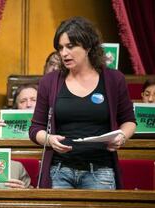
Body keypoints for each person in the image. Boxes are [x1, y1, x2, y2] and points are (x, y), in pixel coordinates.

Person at [29, 17, 136, 189]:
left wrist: (122, 137)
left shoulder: (114, 79)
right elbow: (35, 129)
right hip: (59, 170)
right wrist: (49, 139)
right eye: (60, 48)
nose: (64, 53)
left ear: (88, 46)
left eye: (70, 46)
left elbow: (129, 121)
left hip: (100, 170)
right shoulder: (49, 82)